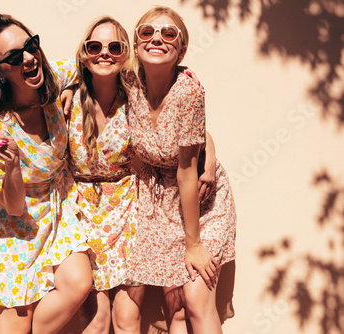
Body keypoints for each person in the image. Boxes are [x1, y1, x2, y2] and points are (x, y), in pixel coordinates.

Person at [0, 14, 93, 334]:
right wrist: (12, 165)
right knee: (17, 326)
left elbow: (94, 65)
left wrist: (71, 89)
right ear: (0, 71)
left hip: (59, 212)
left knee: (80, 282)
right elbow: (14, 207)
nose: (29, 58)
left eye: (31, 45)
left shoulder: (52, 79)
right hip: (14, 230)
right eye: (15, 57)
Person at [124, 6, 237, 334]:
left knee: (196, 297)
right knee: (175, 304)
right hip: (160, 203)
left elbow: (187, 171)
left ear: (182, 49)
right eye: (147, 32)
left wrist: (194, 244)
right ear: (135, 44)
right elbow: (80, 68)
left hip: (201, 201)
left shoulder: (189, 91)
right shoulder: (128, 83)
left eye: (168, 33)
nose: (156, 38)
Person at [66, 16, 142, 333]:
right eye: (94, 46)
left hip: (131, 212)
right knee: (95, 319)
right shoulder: (65, 100)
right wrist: (69, 83)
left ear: (125, 54)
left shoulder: (139, 97)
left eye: (114, 46)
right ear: (84, 53)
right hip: (82, 214)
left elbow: (183, 122)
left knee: (126, 317)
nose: (104, 53)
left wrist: (211, 152)